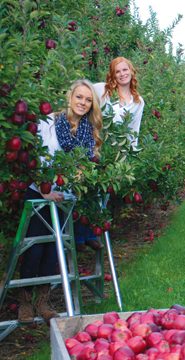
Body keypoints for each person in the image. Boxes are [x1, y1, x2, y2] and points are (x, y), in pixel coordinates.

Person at [18, 79, 103, 323]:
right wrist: (44, 190)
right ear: (70, 97)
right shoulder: (49, 122)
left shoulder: (88, 131)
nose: (83, 103)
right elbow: (35, 156)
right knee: (33, 248)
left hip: (65, 198)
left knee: (53, 252)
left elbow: (86, 167)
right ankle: (24, 302)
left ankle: (42, 302)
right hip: (40, 194)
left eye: (88, 100)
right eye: (79, 97)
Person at [93, 57, 144, 148]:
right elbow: (81, 91)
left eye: (125, 70)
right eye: (117, 71)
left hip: (117, 150)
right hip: (98, 144)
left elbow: (134, 129)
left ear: (131, 71)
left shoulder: (137, 101)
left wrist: (131, 154)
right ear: (113, 75)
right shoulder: (102, 90)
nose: (122, 74)